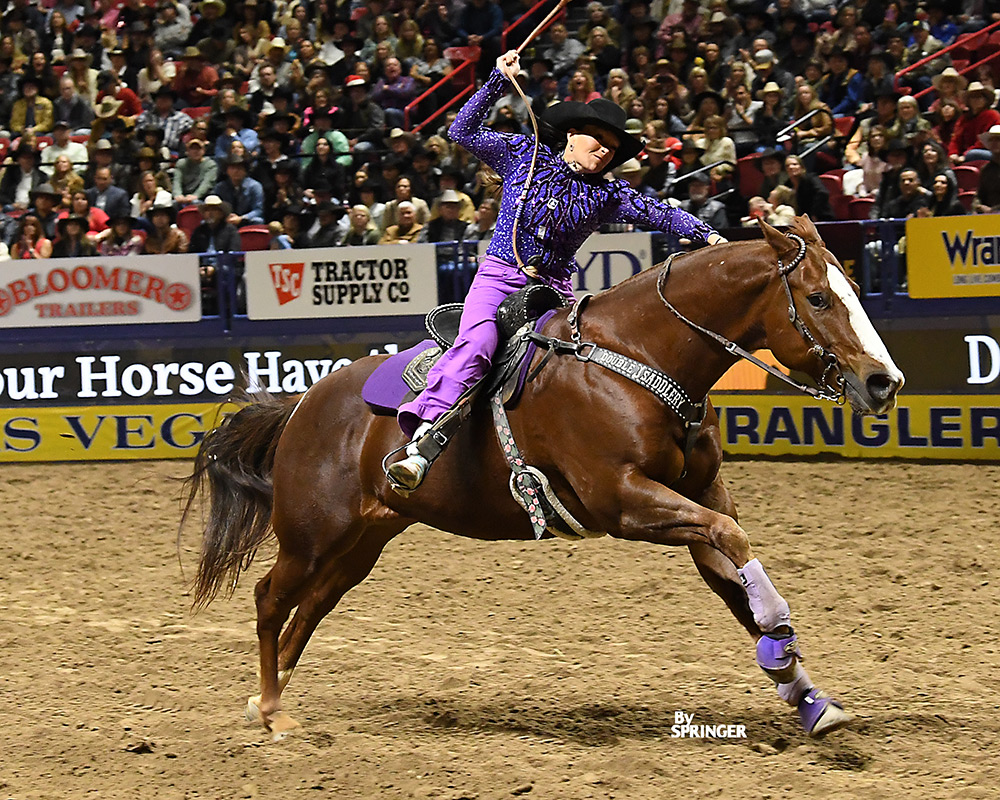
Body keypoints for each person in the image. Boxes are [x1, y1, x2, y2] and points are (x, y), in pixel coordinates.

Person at [387, 49, 727, 493]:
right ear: (571, 134)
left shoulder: (608, 194)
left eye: (611, 147)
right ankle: (423, 441)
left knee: (578, 362)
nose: (603, 150)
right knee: (480, 342)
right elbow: (462, 131)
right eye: (596, 139)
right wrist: (497, 81)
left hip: (554, 292)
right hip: (499, 278)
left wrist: (710, 236)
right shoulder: (522, 156)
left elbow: (660, 212)